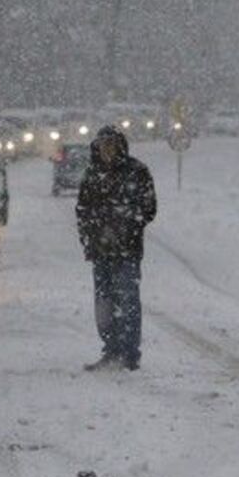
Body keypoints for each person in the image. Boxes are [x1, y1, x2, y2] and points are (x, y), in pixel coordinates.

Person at [76, 125, 157, 371]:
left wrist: (125, 223)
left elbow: (149, 208)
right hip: (100, 252)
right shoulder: (91, 175)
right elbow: (82, 210)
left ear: (119, 145)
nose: (107, 150)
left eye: (111, 145)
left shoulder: (137, 172)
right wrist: (89, 237)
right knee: (104, 303)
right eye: (103, 146)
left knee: (128, 300)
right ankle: (111, 349)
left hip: (127, 251)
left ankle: (130, 354)